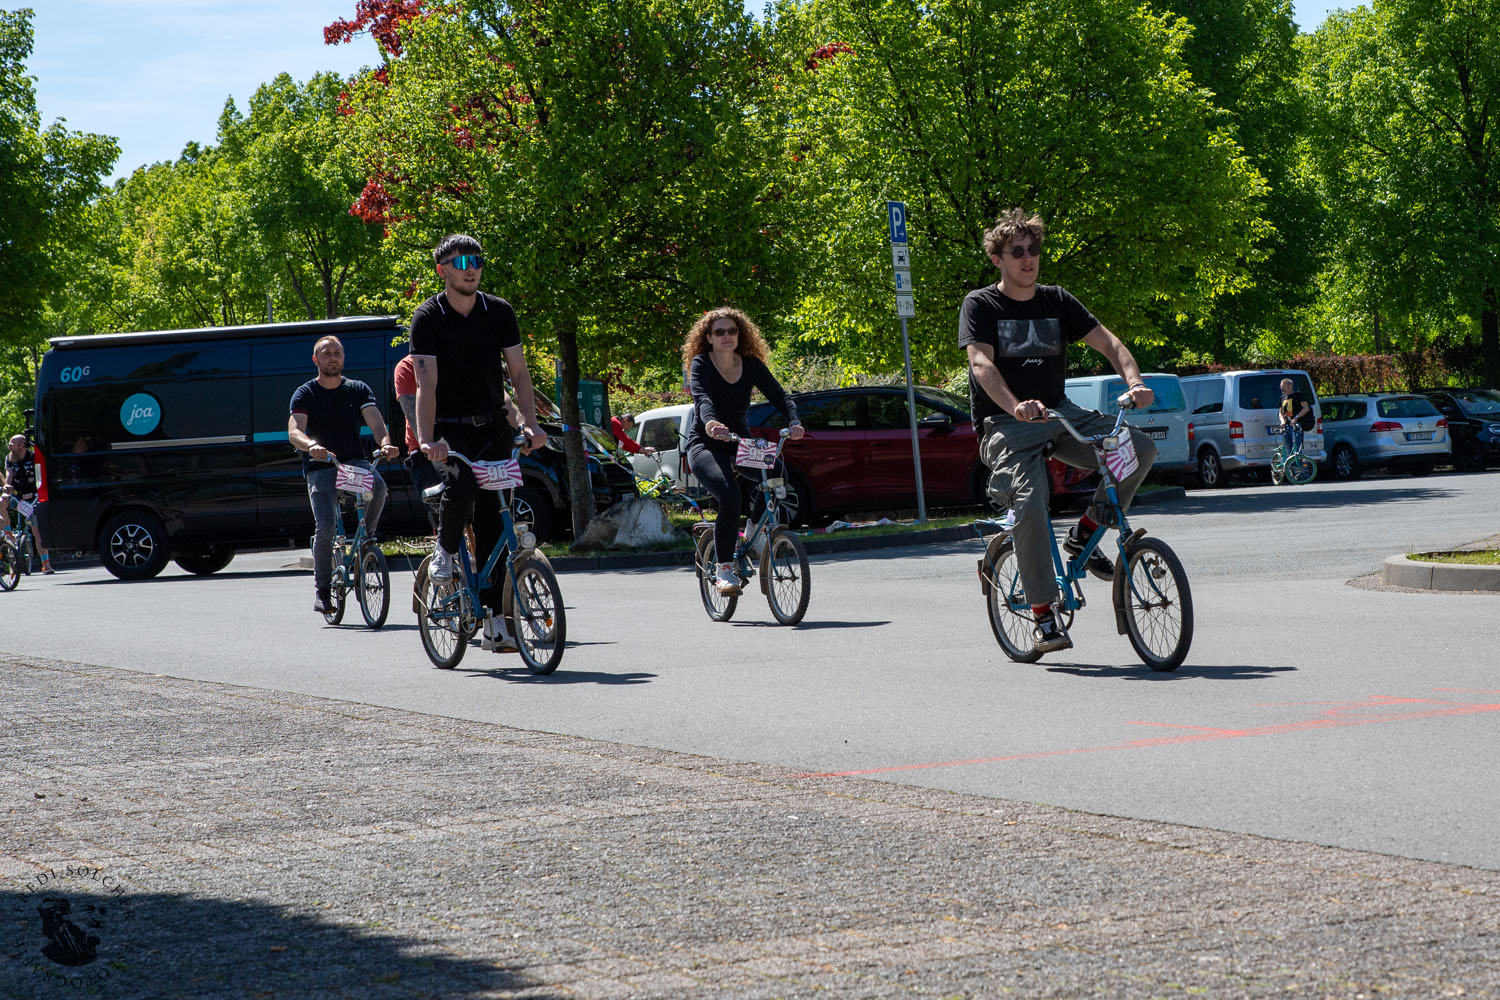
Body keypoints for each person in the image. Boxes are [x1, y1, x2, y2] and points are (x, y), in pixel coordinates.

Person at [960, 208, 1157, 654]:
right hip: (1006, 424)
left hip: (1060, 413)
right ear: (998, 259)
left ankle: (1087, 530)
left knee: (1138, 449)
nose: (1028, 259)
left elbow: (1110, 343)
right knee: (1032, 502)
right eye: (1018, 252)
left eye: (1034, 250)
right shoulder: (981, 304)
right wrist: (1015, 405)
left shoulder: (1057, 300)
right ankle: (1043, 614)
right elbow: (979, 363)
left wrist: (1135, 382)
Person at [411, 233, 547, 654]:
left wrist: (530, 425)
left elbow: (520, 375)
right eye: (462, 260)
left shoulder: (499, 311)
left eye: (477, 260)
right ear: (443, 270)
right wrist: (428, 438)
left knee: (496, 513)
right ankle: (446, 552)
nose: (472, 267)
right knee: (464, 486)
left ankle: (494, 621)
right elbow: (425, 384)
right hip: (450, 429)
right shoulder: (428, 317)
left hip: (492, 424)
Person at [681, 307, 804, 595]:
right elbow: (702, 397)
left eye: (732, 331)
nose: (727, 336)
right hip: (705, 442)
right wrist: (711, 422)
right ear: (708, 337)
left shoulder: (750, 365)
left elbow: (779, 395)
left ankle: (752, 532)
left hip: (737, 440)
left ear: (740, 334)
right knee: (729, 495)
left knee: (777, 473)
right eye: (720, 332)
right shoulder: (701, 363)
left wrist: (794, 420)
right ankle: (724, 569)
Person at [287, 335, 399, 615]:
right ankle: (322, 590)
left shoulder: (357, 389)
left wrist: (385, 443)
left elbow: (376, 422)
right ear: (316, 359)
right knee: (325, 528)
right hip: (322, 467)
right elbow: (294, 431)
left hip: (352, 464)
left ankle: (367, 541)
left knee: (380, 487)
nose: (333, 357)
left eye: (337, 352)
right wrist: (311, 446)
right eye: (326, 353)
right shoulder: (305, 393)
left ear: (344, 357)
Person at [1, 433, 52, 573]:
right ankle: (8, 533)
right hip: (19, 498)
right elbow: (9, 475)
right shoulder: (10, 458)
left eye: (13, 443)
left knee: (37, 531)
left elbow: (42, 475)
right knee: (1, 502)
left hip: (34, 497)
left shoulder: (34, 457)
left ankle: (45, 563)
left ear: (22, 445)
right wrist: (7, 487)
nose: (10, 445)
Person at [1279, 377, 1313, 457]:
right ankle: (1290, 468)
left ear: (1289, 386)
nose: (1281, 388)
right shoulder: (1282, 398)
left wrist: (1296, 418)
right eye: (1281, 386)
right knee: (1288, 450)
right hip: (1286, 426)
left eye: (1283, 386)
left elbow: (1306, 408)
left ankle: (1298, 468)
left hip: (1296, 425)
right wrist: (1282, 421)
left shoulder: (1298, 395)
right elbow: (1280, 412)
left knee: (1296, 450)